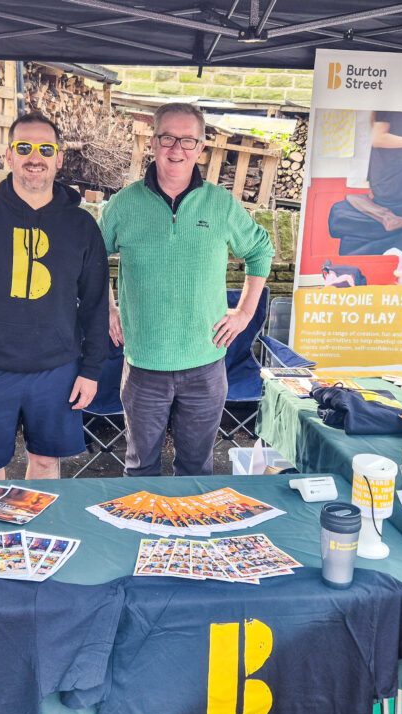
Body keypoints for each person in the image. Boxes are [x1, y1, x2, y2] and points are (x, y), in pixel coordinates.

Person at [99, 102, 273, 476]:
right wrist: (108, 309)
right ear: (153, 142)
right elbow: (90, 259)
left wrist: (244, 312)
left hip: (205, 364)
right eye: (167, 138)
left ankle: (191, 535)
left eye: (187, 140)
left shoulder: (220, 204)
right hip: (145, 362)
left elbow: (260, 250)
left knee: (196, 470)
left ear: (201, 147)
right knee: (140, 467)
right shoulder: (123, 205)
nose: (176, 149)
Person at [0, 112, 109, 481]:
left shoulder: (81, 226)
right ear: (9, 155)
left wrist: (91, 369)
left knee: (46, 462)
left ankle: (38, 535)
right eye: (25, 147)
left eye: (46, 148)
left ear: (59, 158)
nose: (36, 157)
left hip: (57, 370)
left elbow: (96, 304)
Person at [328, 110, 402, 259]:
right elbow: (379, 139)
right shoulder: (394, 103)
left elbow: (385, 139)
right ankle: (388, 224)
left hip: (391, 178)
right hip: (391, 181)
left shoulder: (401, 105)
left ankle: (388, 225)